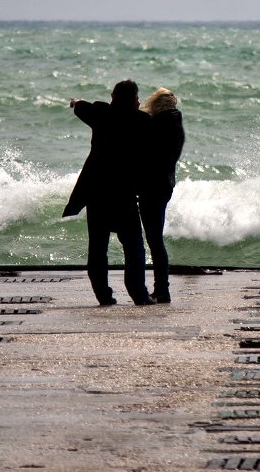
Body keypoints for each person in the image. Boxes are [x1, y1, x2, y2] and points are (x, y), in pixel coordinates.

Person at [62, 79, 154, 306]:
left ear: (113, 96)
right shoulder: (141, 120)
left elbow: (81, 107)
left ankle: (103, 296)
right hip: (124, 194)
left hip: (97, 193)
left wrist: (75, 101)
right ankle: (139, 295)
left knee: (97, 249)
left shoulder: (100, 113)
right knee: (133, 247)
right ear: (134, 100)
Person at [140, 87, 184, 304]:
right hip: (166, 185)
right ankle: (161, 289)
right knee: (156, 238)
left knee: (154, 240)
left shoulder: (157, 125)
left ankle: (162, 290)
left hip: (152, 187)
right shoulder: (175, 125)